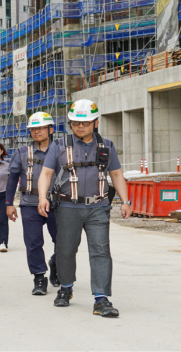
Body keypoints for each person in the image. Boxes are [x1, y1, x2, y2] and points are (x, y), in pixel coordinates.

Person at [37, 99, 132, 318]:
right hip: (67, 206)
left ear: (95, 123)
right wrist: (42, 197)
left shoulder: (106, 146)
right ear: (70, 123)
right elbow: (47, 174)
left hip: (98, 206)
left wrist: (125, 201)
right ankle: (66, 287)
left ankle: (101, 299)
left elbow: (116, 174)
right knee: (66, 250)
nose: (80, 126)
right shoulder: (59, 146)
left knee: (100, 250)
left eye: (86, 122)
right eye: (76, 123)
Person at [6, 112, 59, 296]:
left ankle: (56, 262)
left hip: (57, 204)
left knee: (64, 241)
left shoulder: (61, 151)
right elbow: (12, 178)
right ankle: (39, 277)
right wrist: (9, 203)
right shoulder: (21, 153)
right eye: (33, 129)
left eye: (41, 128)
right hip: (29, 203)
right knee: (33, 242)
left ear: (50, 130)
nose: (36, 132)